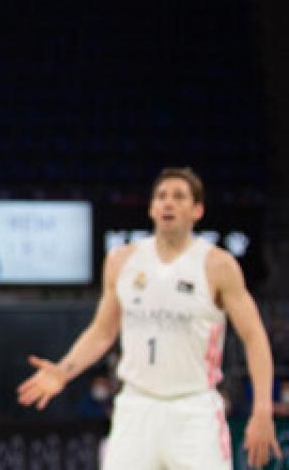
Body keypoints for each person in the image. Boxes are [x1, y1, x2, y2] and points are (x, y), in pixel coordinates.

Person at [18, 167, 282, 469]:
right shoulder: (121, 260)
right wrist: (63, 371)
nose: (168, 203)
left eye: (179, 197)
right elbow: (103, 332)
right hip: (136, 406)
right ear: (151, 208)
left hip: (193, 409)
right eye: (161, 196)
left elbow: (254, 337)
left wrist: (262, 410)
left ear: (197, 210)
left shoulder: (218, 265)